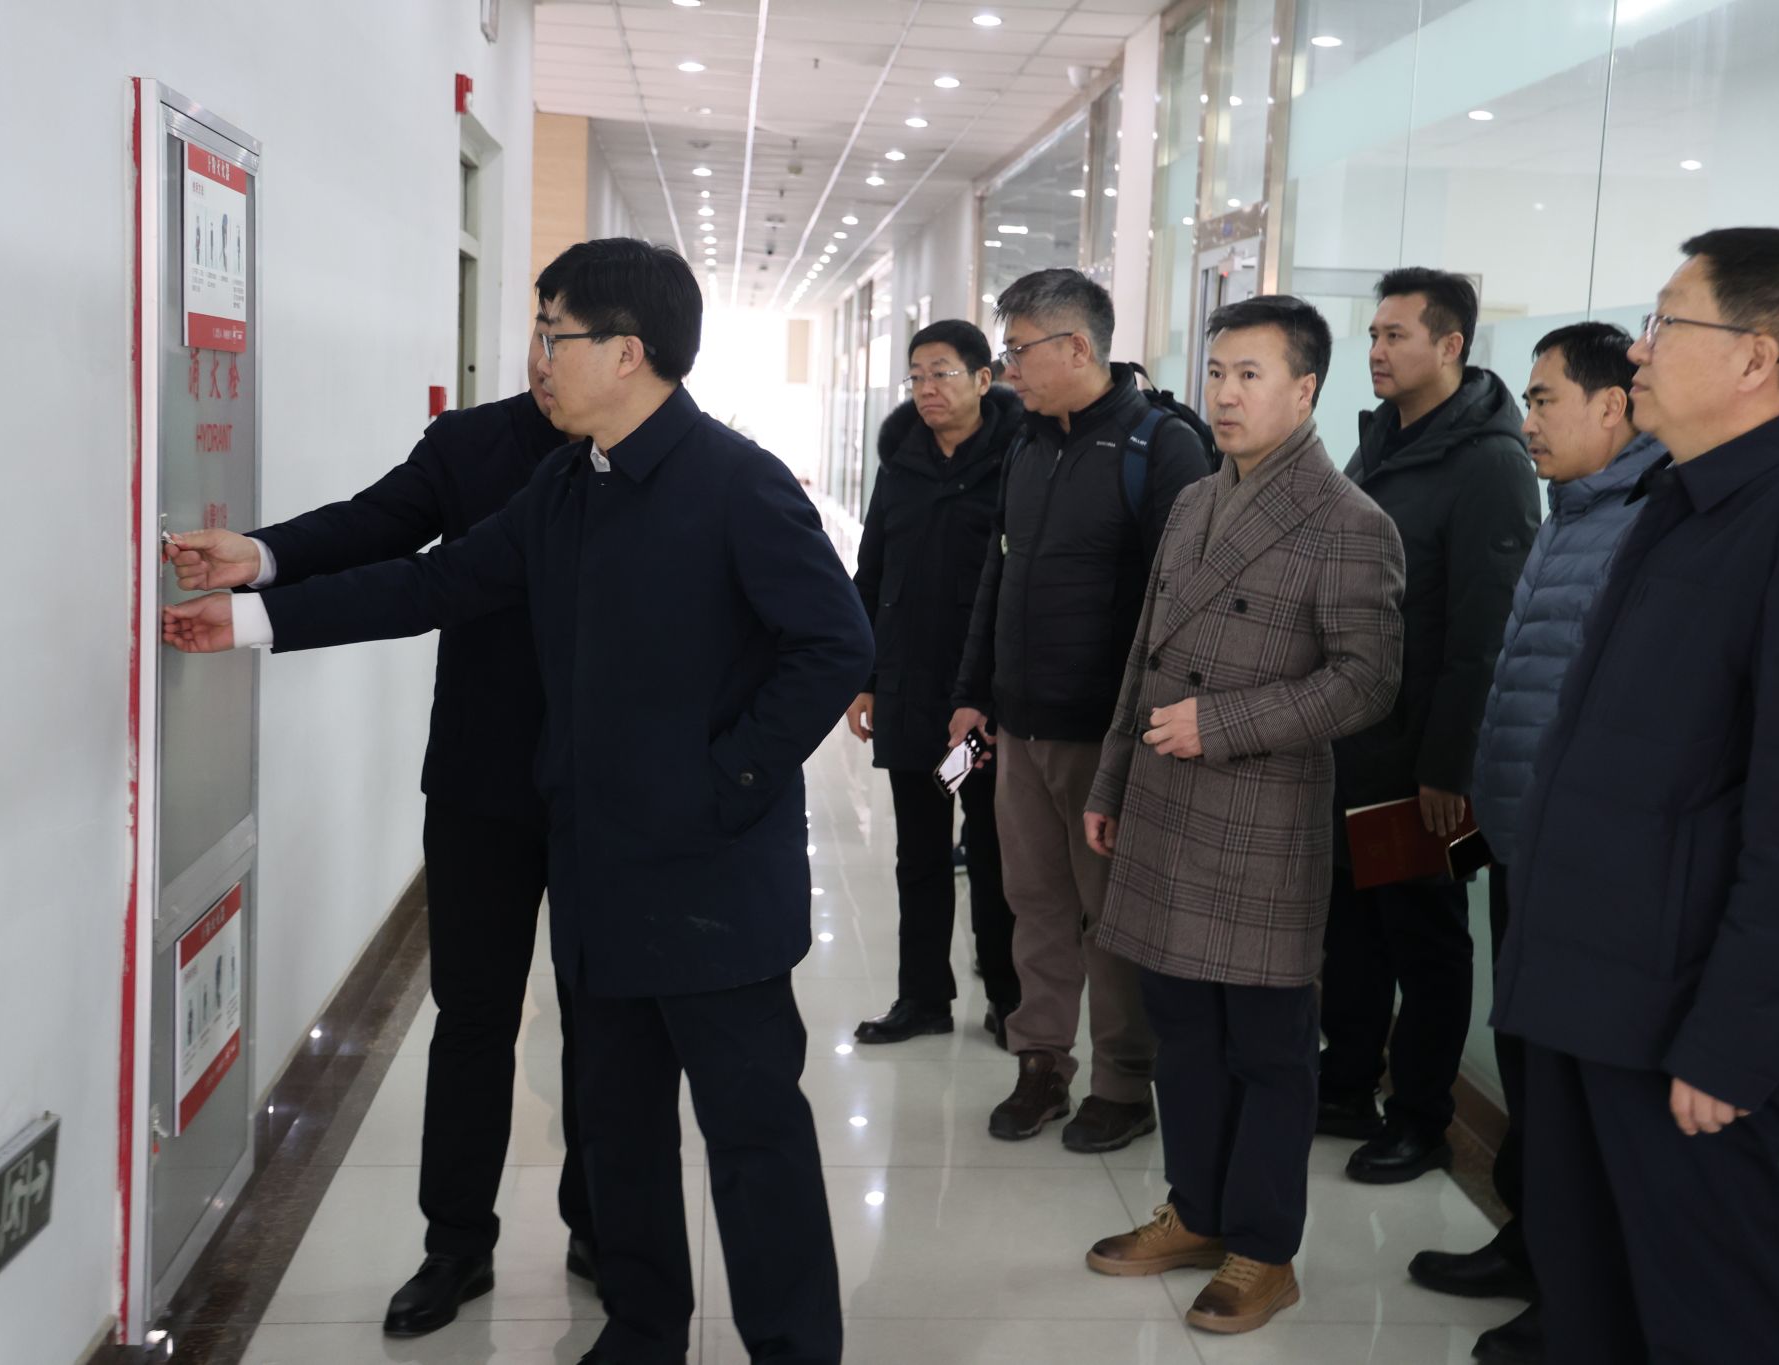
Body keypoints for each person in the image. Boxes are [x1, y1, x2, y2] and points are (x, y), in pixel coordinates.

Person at [163, 238, 869, 1365]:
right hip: (596, 865)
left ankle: (793, 1347)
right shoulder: (568, 483)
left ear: (626, 353)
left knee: (751, 1132)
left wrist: (725, 779)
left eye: (555, 333)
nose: (538, 356)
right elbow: (437, 581)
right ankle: (641, 1331)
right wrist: (254, 613)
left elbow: (833, 643)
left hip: (712, 880)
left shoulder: (739, 482)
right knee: (619, 1122)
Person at [1493, 228, 1779, 1364]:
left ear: (1755, 357)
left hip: (1675, 1028)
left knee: (1703, 1322)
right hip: (1583, 997)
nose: (1638, 350)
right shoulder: (1673, 507)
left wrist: (1733, 1043)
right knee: (1588, 1304)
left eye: (1665, 323)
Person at [162, 326, 588, 1336]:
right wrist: (261, 556)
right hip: (482, 785)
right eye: (540, 331)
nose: (543, 359)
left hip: (607, 796)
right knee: (471, 1017)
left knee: (607, 1021)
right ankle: (455, 1245)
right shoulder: (472, 444)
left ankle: (607, 1225)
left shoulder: (655, 465)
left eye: (565, 336)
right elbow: (376, 529)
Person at [1081, 296, 1405, 1335]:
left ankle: (1264, 1249)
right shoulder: (1191, 502)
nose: (1224, 394)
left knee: (1266, 1046)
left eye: (1250, 375)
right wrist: (1109, 782)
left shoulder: (1350, 523)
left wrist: (1223, 724)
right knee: (1182, 1032)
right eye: (1217, 372)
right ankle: (1199, 1210)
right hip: (1163, 803)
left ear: (1305, 390)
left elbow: (1365, 682)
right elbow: (1143, 657)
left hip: (1258, 820)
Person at [1406, 322, 1660, 1364]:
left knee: (1576, 1088)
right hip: (1522, 841)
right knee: (1527, 1064)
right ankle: (1529, 1241)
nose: (1527, 423)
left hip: (1585, 865)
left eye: (1545, 399)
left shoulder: (1646, 521)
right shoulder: (1576, 510)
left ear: (1613, 406)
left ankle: (1576, 1297)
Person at [948, 267, 1211, 1152]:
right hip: (1020, 727)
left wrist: (1142, 735)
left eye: (1019, 350)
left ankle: (1124, 1082)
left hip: (1107, 733)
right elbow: (997, 574)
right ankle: (1041, 1062)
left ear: (1077, 347)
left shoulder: (1160, 447)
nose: (1008, 369)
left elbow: (1181, 610)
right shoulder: (1025, 446)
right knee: (1035, 903)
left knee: (1113, 916)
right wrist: (973, 693)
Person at [1318, 267, 1539, 1184]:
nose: (1375, 350)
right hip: (1357, 739)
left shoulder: (1490, 463)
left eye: (1395, 335)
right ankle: (1345, 1084)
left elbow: (1486, 635)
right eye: (1373, 333)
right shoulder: (1382, 438)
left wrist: (1449, 766)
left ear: (1450, 346)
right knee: (1352, 931)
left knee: (1426, 938)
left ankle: (1421, 1116)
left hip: (1426, 758)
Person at [846, 320, 1023, 1047]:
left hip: (980, 701)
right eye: (916, 376)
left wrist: (988, 695)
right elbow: (871, 574)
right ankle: (922, 997)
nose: (926, 389)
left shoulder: (1017, 459)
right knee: (918, 855)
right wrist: (865, 679)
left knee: (992, 852)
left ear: (983, 379)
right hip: (911, 693)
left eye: (941, 373)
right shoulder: (901, 465)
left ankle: (1008, 998)